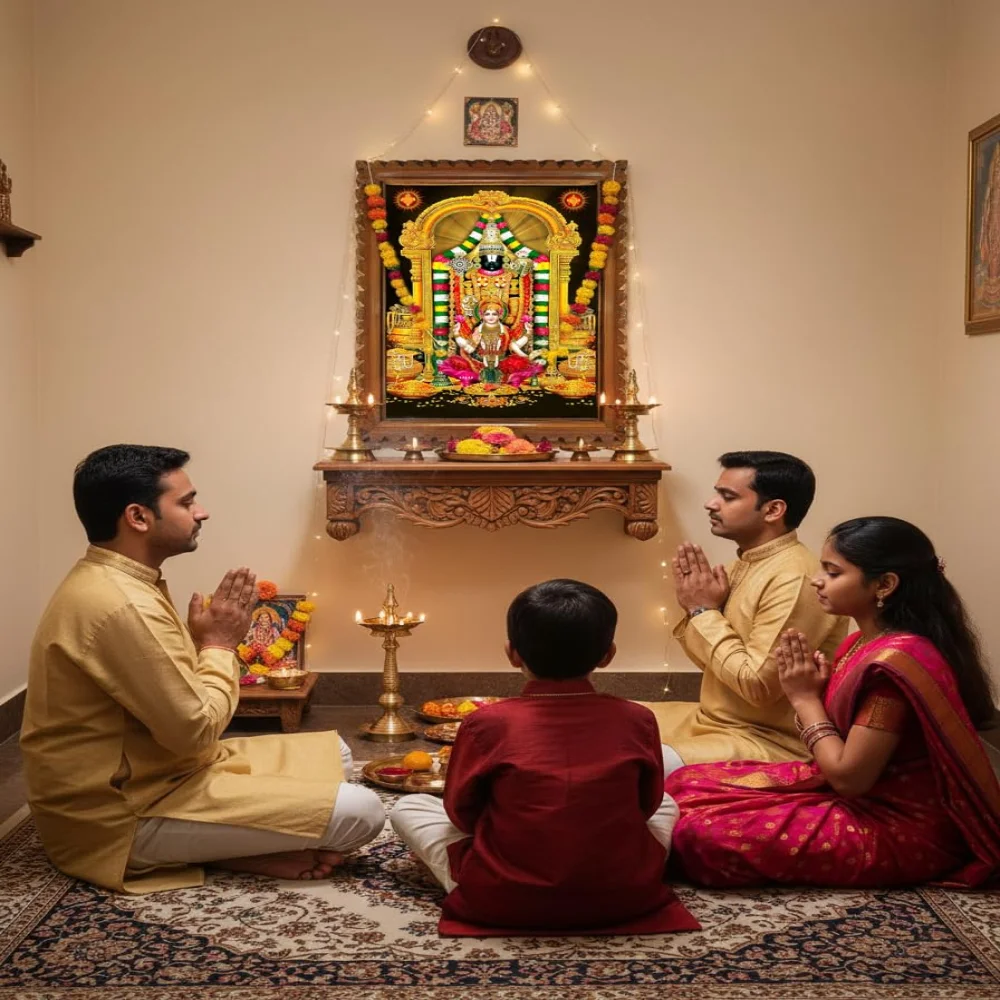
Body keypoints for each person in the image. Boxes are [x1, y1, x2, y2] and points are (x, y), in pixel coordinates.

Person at [20, 445, 384, 893]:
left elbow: (157, 693)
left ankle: (243, 845)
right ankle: (223, 849)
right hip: (119, 812)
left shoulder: (120, 580)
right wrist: (218, 645)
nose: (202, 512)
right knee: (361, 812)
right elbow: (194, 729)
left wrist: (198, 644)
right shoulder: (120, 603)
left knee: (338, 756)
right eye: (187, 502)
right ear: (138, 517)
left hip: (167, 770)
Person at [668, 517, 1000, 888]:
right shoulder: (859, 643)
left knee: (702, 835)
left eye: (833, 572)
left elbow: (849, 779)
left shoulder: (893, 668)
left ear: (885, 585)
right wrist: (813, 693)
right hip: (855, 794)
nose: (817, 580)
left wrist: (805, 699)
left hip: (898, 826)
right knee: (686, 782)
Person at [390, 580, 699, 936]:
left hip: (503, 899)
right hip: (623, 896)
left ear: (512, 653)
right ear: (608, 654)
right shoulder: (638, 718)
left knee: (408, 809)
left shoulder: (485, 723)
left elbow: (461, 813)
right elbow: (646, 805)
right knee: (668, 804)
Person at [645, 451, 848, 768]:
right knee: (604, 722)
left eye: (727, 497)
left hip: (764, 740)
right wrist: (700, 611)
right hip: (711, 722)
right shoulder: (744, 563)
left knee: (628, 759)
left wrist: (702, 611)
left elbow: (757, 687)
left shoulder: (794, 578)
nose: (711, 504)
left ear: (773, 510)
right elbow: (714, 665)